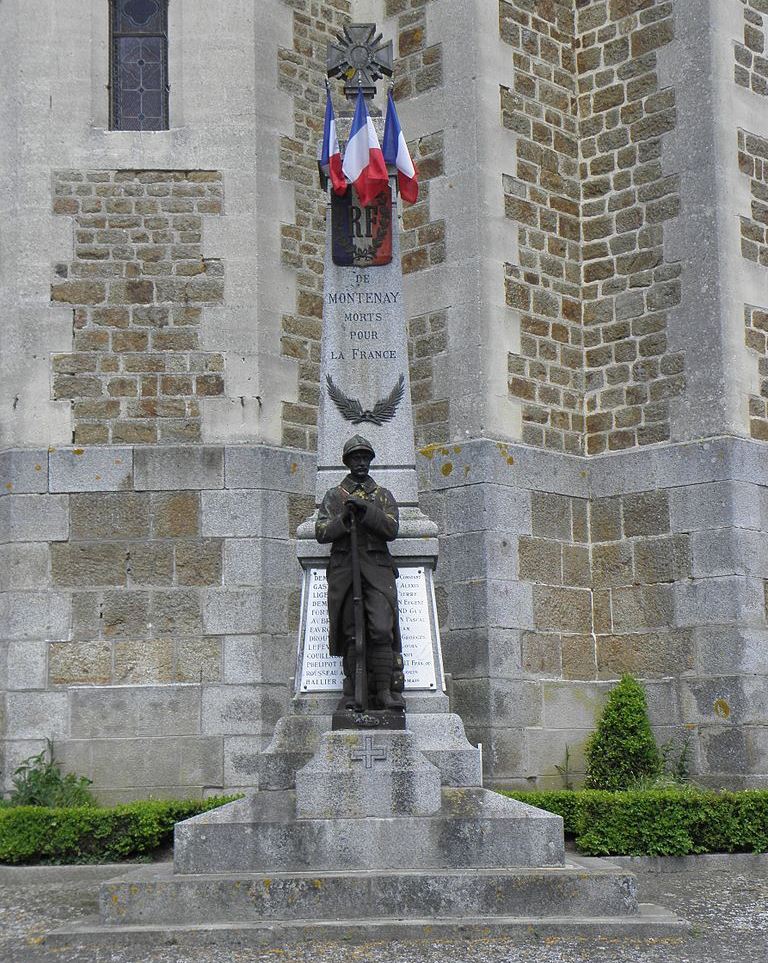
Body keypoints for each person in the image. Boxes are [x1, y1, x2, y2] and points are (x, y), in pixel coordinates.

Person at [316, 435, 405, 712]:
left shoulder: (382, 495)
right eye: (356, 458)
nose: (361, 463)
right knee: (351, 632)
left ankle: (383, 691)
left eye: (365, 458)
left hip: (377, 571)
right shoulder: (334, 496)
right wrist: (344, 518)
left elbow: (391, 529)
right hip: (344, 571)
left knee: (381, 628)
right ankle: (354, 691)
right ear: (347, 462)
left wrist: (366, 509)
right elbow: (321, 532)